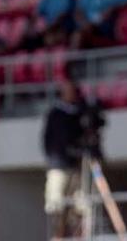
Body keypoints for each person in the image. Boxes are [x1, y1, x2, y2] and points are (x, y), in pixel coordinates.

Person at [43, 80, 97, 240]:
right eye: (68, 91)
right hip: (58, 165)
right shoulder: (55, 114)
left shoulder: (80, 113)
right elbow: (47, 140)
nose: (71, 95)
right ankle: (57, 236)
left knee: (81, 205)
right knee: (56, 203)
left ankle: (79, 236)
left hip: (77, 165)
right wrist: (55, 156)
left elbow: (87, 133)